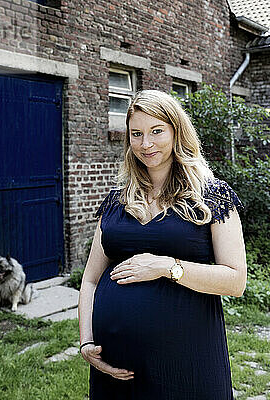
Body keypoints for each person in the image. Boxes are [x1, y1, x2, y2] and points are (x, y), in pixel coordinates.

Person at [78, 89, 247, 400]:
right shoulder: (117, 200)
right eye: (136, 134)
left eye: (157, 131)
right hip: (116, 369)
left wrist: (166, 266)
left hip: (186, 362)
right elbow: (90, 279)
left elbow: (235, 281)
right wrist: (87, 341)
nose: (146, 144)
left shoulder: (211, 196)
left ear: (176, 132)